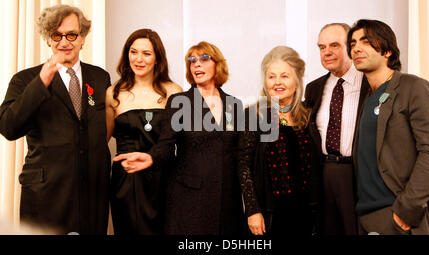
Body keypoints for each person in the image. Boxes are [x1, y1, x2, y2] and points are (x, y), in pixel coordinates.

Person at [113, 41, 245, 235]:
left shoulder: (234, 105)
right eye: (192, 61)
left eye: (203, 59)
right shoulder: (180, 102)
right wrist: (150, 158)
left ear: (218, 64)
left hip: (227, 201)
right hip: (189, 200)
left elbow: (240, 155)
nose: (196, 64)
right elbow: (166, 144)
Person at [0, 4, 110, 234]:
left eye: (71, 34)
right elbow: (8, 127)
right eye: (56, 35)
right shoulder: (25, 79)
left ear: (82, 38)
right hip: (46, 198)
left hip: (92, 197)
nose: (64, 42)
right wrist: (42, 82)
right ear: (48, 39)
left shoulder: (100, 78)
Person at [348, 19, 429, 235]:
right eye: (353, 43)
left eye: (365, 41)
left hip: (400, 218)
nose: (356, 48)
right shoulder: (365, 99)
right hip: (366, 218)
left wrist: (405, 211)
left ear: (388, 51)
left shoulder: (414, 88)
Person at [105, 29, 182, 235]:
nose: (139, 59)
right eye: (133, 52)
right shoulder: (113, 93)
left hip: (165, 179)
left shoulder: (174, 91)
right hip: (128, 180)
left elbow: (181, 141)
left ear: (157, 58)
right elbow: (102, 140)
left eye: (146, 53)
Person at [238, 46, 321, 236]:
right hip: (269, 214)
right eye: (271, 76)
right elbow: (244, 167)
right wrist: (252, 210)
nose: (277, 82)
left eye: (284, 76)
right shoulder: (253, 115)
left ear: (297, 81)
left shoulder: (308, 116)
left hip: (306, 213)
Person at [304, 23, 370, 235]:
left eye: (334, 45)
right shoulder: (314, 88)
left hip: (358, 174)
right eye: (322, 47)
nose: (327, 52)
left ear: (350, 47)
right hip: (324, 173)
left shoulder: (370, 84)